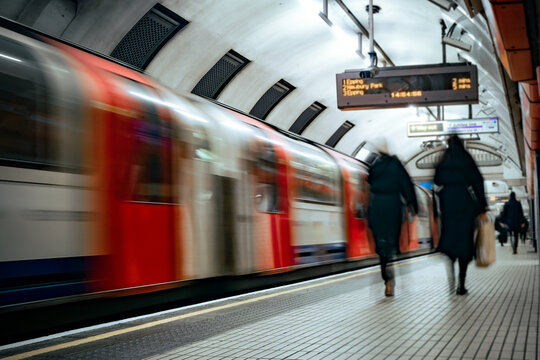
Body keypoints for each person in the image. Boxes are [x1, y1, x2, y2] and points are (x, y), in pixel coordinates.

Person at [434, 135, 488, 295]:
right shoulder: (466, 158)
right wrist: (482, 208)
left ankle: (451, 276)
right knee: (464, 243)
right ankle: (461, 284)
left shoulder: (443, 160)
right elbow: (478, 181)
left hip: (447, 204)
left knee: (450, 241)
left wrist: (436, 210)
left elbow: (436, 182)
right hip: (465, 204)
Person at [367, 137, 418, 297]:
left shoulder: (373, 166)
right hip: (393, 206)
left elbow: (368, 185)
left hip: (376, 207)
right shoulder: (396, 165)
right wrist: (413, 206)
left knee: (381, 246)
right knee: (392, 242)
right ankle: (392, 272)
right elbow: (407, 185)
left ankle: (387, 279)